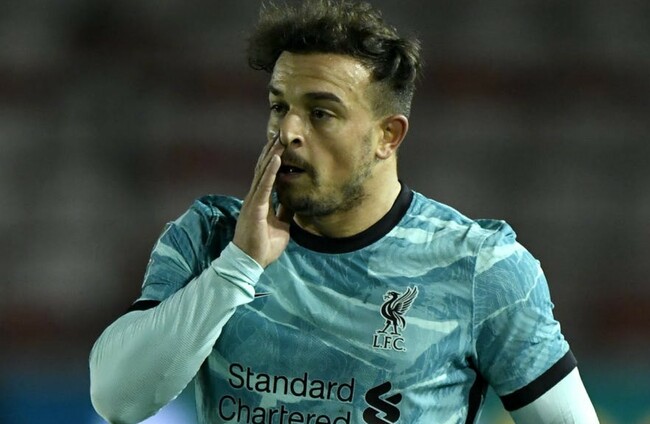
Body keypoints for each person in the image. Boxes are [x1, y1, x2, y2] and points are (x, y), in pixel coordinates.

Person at [89, 1, 600, 423]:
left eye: (320, 113)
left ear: (388, 136)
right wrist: (238, 266)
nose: (287, 131)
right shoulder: (211, 237)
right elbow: (117, 400)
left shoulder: (480, 267)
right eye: (278, 106)